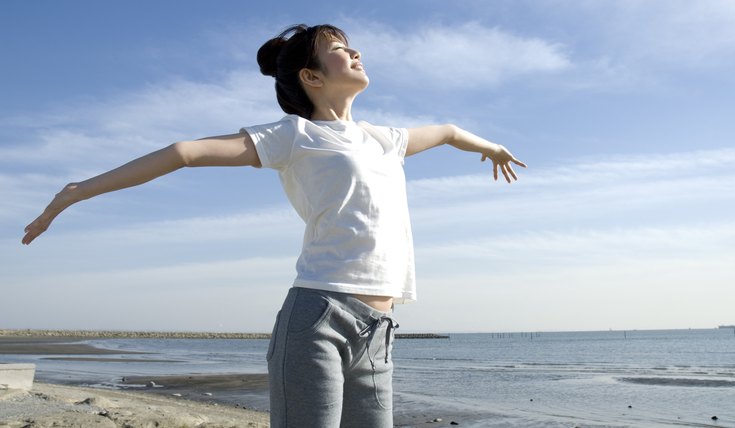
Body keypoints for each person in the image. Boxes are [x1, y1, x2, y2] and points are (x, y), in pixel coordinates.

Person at [23, 24, 526, 428]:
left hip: (380, 328)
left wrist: (490, 147)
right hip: (319, 318)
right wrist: (74, 193)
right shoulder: (294, 135)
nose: (356, 53)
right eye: (340, 49)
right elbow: (184, 153)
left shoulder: (383, 139)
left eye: (353, 47)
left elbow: (447, 131)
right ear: (311, 76)